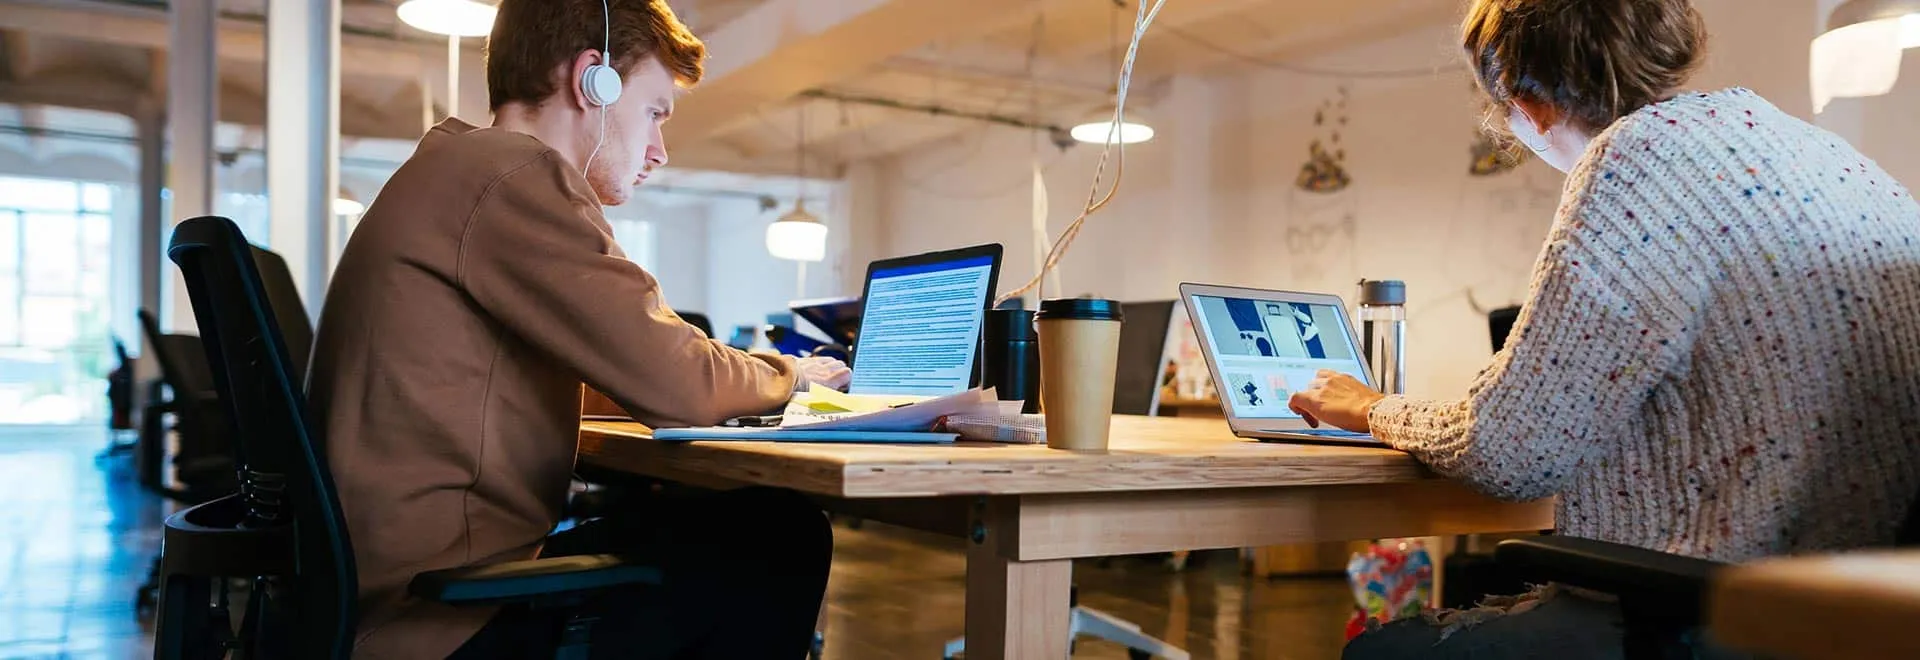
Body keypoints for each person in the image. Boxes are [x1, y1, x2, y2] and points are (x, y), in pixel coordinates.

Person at [1287, 0, 1920, 657]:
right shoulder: (1824, 152)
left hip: (1714, 613)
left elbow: (1509, 451)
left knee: (1383, 651)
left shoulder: (1638, 157)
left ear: (1524, 105)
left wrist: (1370, 408)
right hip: (1861, 609)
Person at [304, 0, 851, 657]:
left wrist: (655, 381)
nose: (659, 150)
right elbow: (680, 382)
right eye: (653, 112)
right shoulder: (512, 177)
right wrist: (795, 377)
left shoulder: (458, 170)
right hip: (434, 620)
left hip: (379, 597)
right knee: (778, 534)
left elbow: (531, 376)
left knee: (705, 526)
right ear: (593, 79)